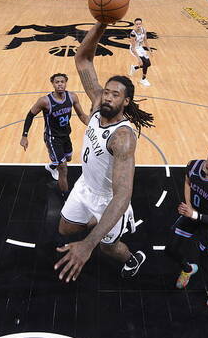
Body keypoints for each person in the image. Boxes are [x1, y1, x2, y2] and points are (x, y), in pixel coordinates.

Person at [54, 22, 154, 282]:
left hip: (108, 200)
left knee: (107, 247)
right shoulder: (98, 104)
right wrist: (103, 22)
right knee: (65, 228)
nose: (108, 97)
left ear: (126, 101)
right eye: (107, 92)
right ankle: (96, 227)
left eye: (115, 95)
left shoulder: (123, 138)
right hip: (85, 185)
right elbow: (83, 58)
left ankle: (133, 257)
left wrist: (87, 246)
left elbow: (123, 195)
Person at [164, 142, 208, 307]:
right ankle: (187, 269)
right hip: (192, 214)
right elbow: (187, 182)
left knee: (206, 263)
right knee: (171, 249)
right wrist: (189, 204)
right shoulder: (193, 165)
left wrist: (194, 214)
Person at [20, 74, 88, 196]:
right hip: (52, 138)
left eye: (62, 81)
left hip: (66, 136)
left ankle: (52, 166)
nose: (60, 84)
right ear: (53, 84)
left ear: (66, 83)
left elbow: (82, 115)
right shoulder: (45, 101)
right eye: (57, 82)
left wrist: (93, 125)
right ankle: (66, 196)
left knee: (68, 159)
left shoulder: (72, 97)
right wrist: (24, 135)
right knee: (63, 169)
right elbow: (30, 115)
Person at [128, 18, 154, 87]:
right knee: (145, 63)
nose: (138, 25)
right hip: (134, 49)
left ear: (141, 24)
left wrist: (149, 50)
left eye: (140, 24)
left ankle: (135, 68)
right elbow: (133, 48)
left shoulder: (144, 30)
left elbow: (145, 41)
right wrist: (139, 59)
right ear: (135, 25)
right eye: (137, 24)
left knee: (148, 64)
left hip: (140, 48)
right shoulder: (133, 34)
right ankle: (143, 79)